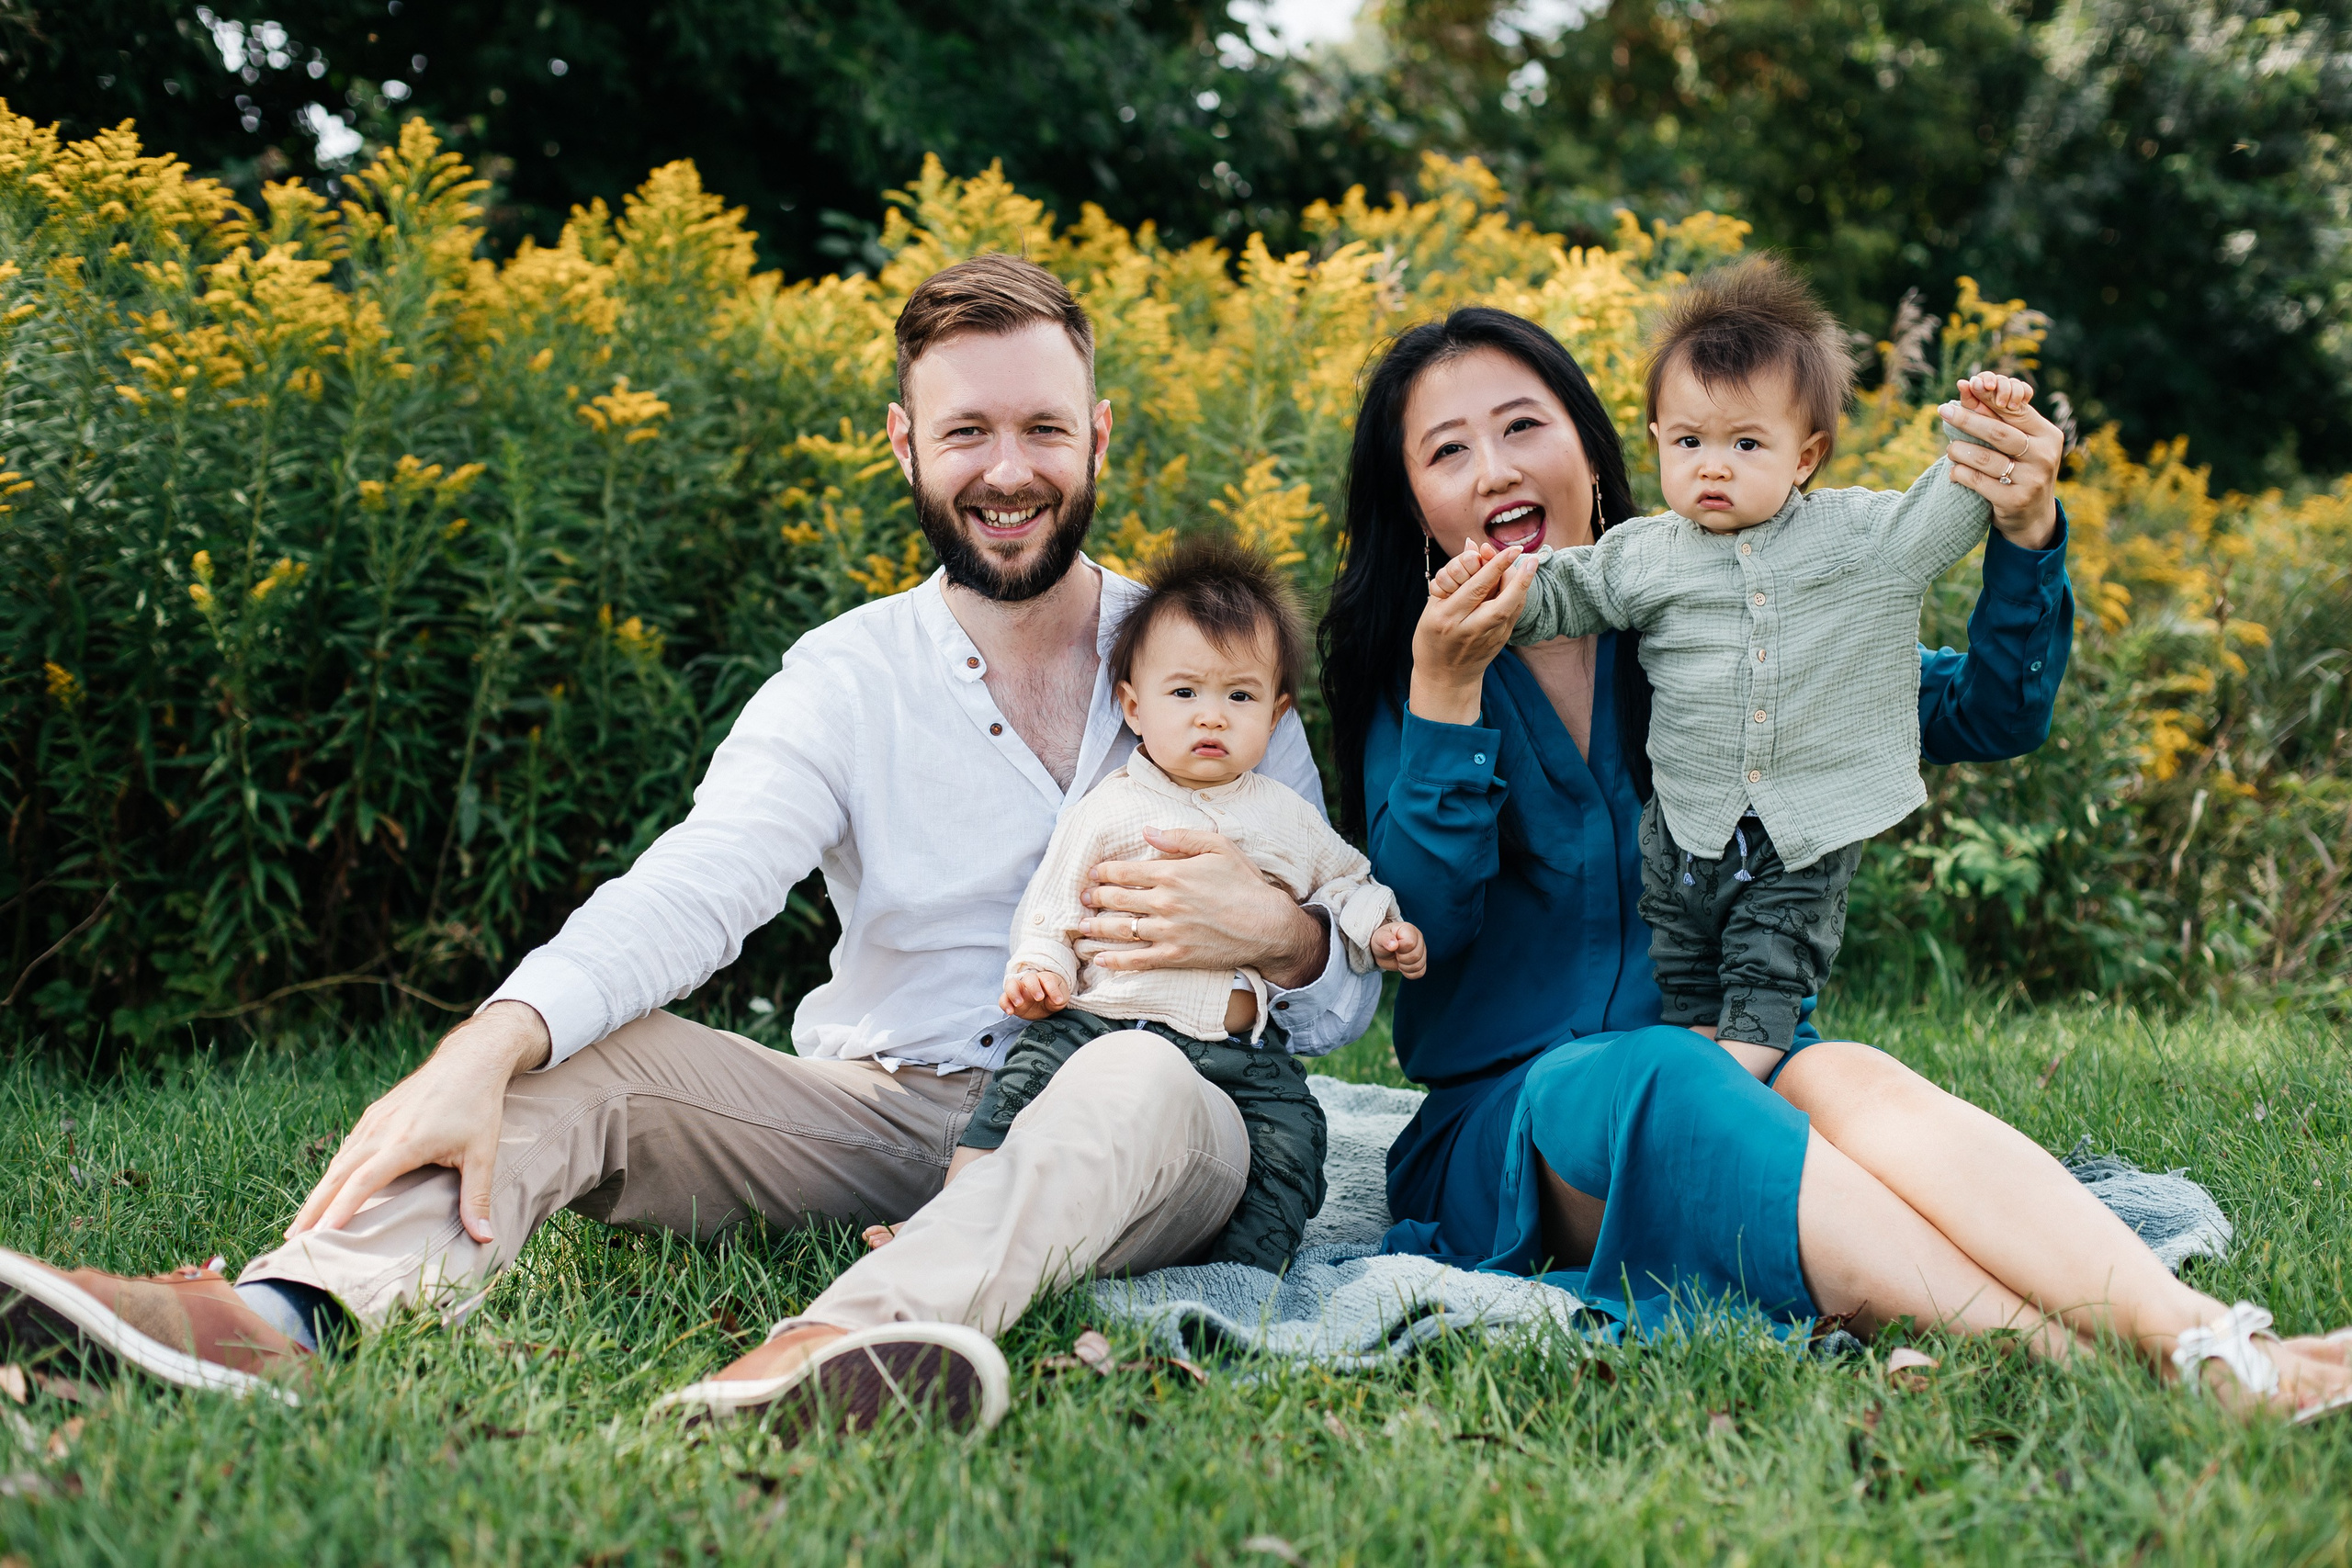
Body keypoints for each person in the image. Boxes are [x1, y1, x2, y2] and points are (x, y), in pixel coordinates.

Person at [0, 254, 1381, 1438]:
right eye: (967, 433)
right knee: (580, 1056)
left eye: (1042, 428)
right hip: (890, 1106)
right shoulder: (845, 677)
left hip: (1163, 1106)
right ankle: (282, 1313)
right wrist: (483, 1044)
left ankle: (841, 1345)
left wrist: (1281, 936)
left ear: (1097, 435)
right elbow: (700, 879)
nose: (1007, 471)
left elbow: (1346, 985)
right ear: (905, 446)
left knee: (1125, 1074)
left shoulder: (1214, 659)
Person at [1318, 303, 2352, 1416]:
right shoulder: (1411, 677)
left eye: (1522, 427)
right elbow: (1420, 931)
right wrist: (1446, 696)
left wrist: (2024, 534)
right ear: (1414, 500)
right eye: (1446, 451)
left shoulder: (1712, 604)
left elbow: (1988, 713)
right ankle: (2122, 1367)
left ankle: (2204, 1339)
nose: (1491, 470)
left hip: (1738, 1062)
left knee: (1841, 1073)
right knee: (1663, 1072)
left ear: (1592, 444)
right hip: (1511, 1136)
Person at [1430, 256, 2030, 1057]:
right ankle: (1704, 1080)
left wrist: (1984, 433)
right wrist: (1487, 586)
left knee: (1769, 975)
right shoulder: (1643, 554)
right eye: (1690, 440)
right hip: (1682, 830)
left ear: (1805, 456)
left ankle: (1734, 1086)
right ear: (1657, 443)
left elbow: (1943, 512)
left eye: (1747, 442)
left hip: (1798, 835)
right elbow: (1563, 593)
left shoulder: (1856, 538)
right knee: (1686, 977)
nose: (1713, 464)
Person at [908, 533, 1427, 1272]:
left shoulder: (1283, 815)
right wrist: (1041, 971)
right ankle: (947, 1232)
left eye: (1239, 696)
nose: (1211, 716)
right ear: (1134, 706)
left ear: (1277, 713)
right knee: (1014, 1099)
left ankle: (1242, 1275)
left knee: (1294, 1137)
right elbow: (1053, 909)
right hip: (1096, 1024)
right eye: (1184, 693)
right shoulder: (1110, 809)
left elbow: (1345, 880)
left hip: (1239, 1054)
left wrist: (1382, 928)